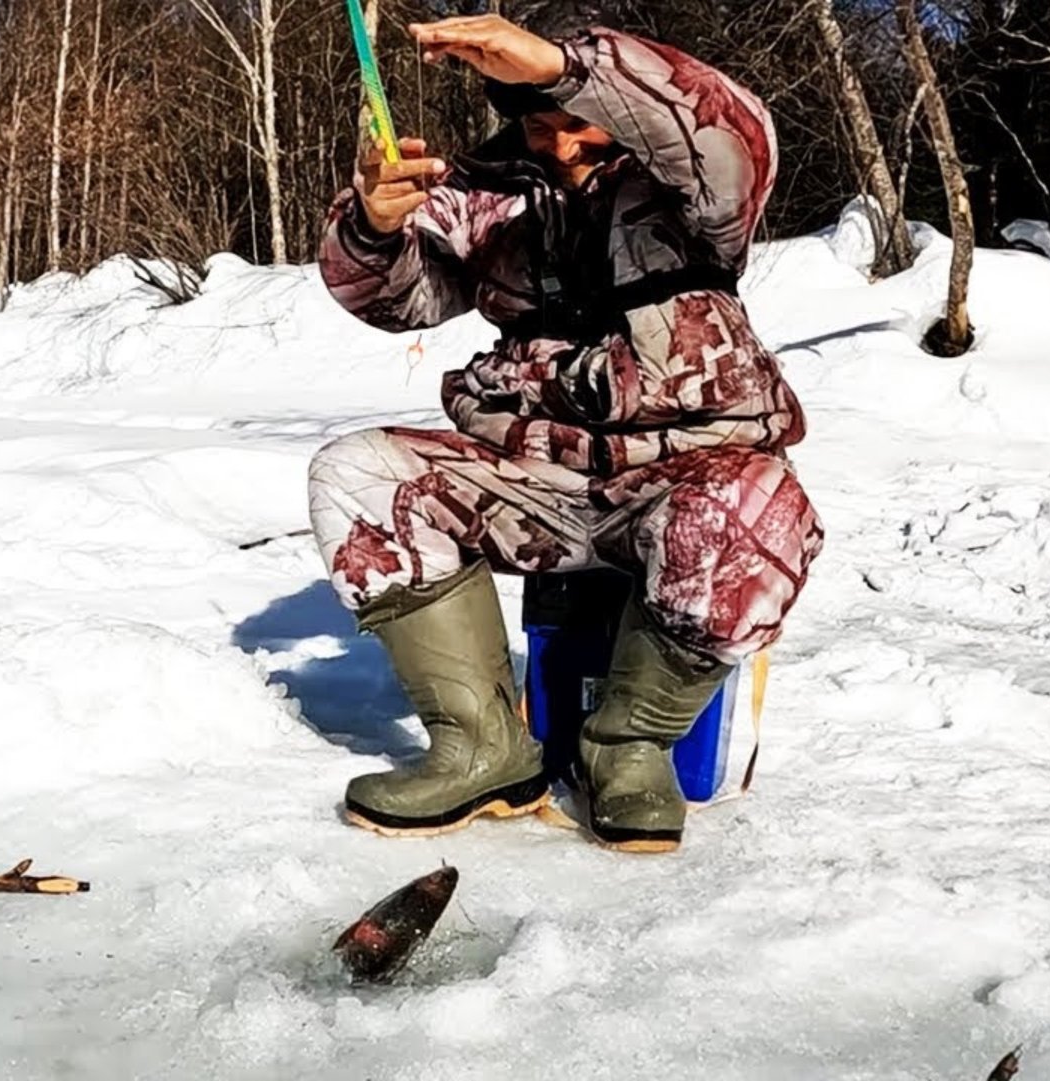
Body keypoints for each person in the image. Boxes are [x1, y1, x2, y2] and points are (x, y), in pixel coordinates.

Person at [306, 13, 823, 853]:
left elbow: (733, 131)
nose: (564, 146)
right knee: (357, 474)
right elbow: (402, 298)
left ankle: (627, 746)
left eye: (582, 122)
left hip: (682, 477)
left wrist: (563, 66)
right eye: (540, 126)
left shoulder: (691, 188)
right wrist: (373, 222)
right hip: (538, 483)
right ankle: (483, 748)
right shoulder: (492, 193)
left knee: (757, 506)